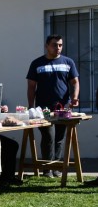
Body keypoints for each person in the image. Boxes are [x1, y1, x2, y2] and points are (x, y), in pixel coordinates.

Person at [26, 35, 80, 178]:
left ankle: (57, 168)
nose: (58, 48)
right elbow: (31, 86)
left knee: (60, 137)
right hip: (43, 108)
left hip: (63, 108)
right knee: (48, 136)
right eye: (54, 45)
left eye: (60, 45)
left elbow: (75, 82)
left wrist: (74, 97)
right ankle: (47, 169)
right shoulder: (37, 63)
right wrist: (30, 106)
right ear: (47, 46)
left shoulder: (68, 62)